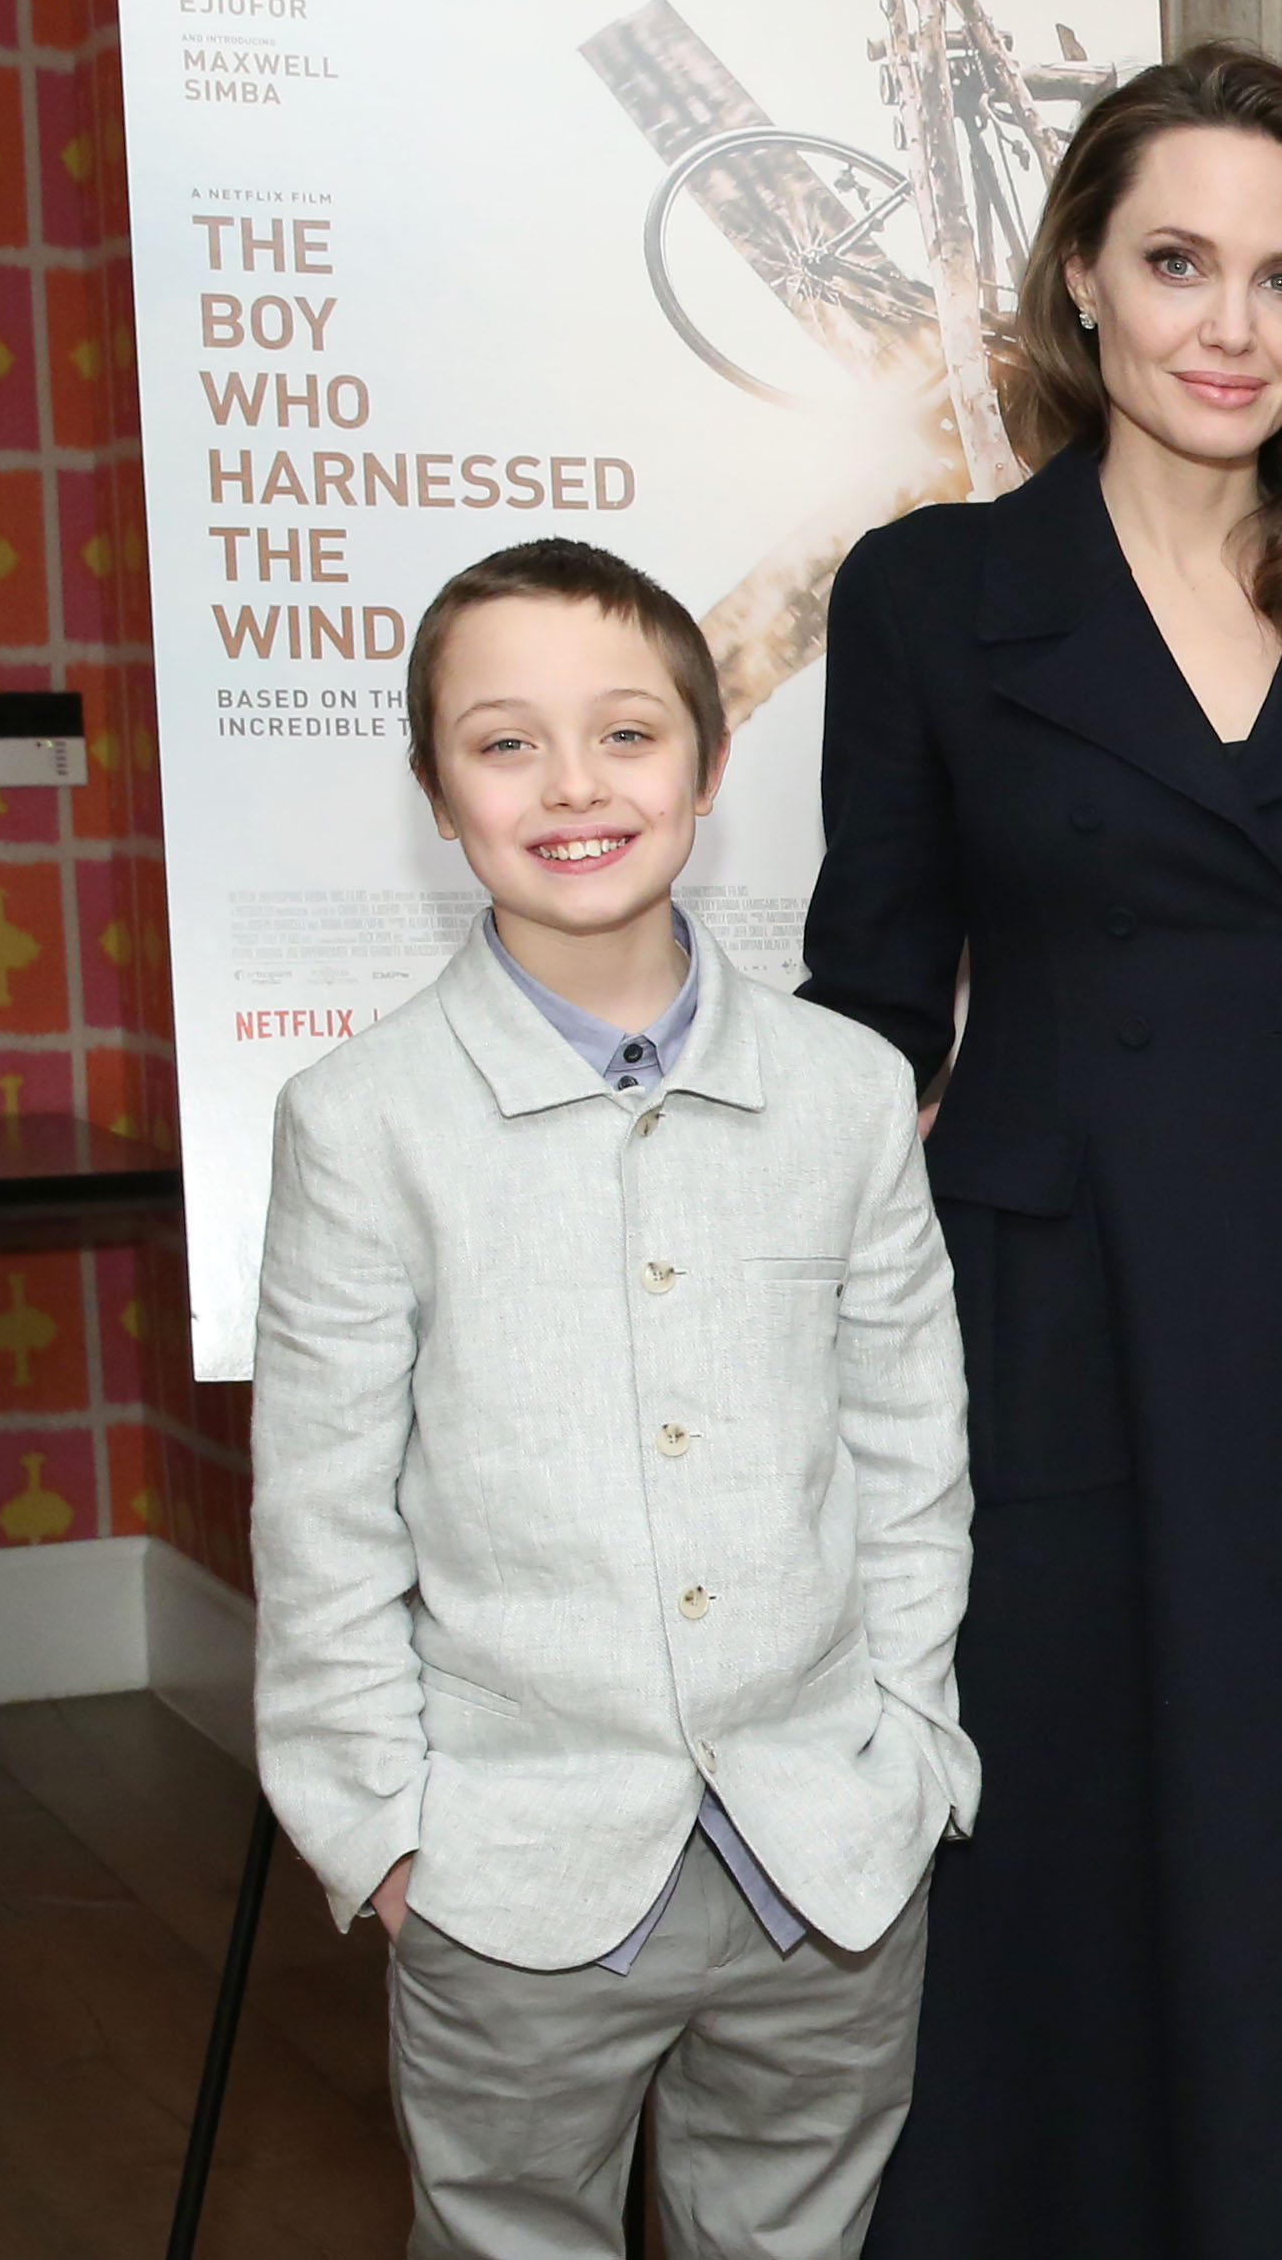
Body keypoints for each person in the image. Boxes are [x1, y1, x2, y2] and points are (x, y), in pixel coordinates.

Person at [795, 45, 1282, 2257]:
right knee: (1066, 1828)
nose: (1233, 324)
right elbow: (870, 997)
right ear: (1082, 284)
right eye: (1181, 261)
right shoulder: (930, 597)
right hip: (1053, 1317)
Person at [253, 539, 973, 2260]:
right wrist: (387, 1825)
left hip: (827, 1854)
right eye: (505, 743)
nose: (573, 785)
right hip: (510, 1864)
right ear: (436, 792)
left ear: (711, 768)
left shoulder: (847, 1092)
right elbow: (323, 1513)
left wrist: (908, 1740)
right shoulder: (362, 1122)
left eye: (626, 734)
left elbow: (908, 1451)